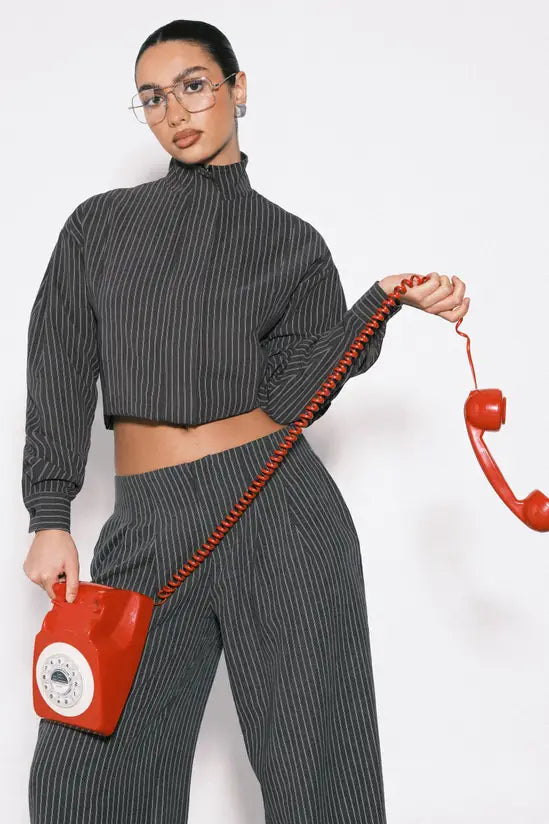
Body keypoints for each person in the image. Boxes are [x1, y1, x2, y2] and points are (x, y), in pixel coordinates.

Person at [22, 18, 470, 824]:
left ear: (236, 88)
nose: (175, 111)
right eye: (153, 97)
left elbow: (292, 401)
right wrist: (50, 514)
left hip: (276, 509)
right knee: (83, 782)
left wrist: (374, 308)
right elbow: (58, 360)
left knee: (314, 774)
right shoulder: (100, 226)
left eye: (193, 86)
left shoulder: (292, 245)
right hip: (149, 521)